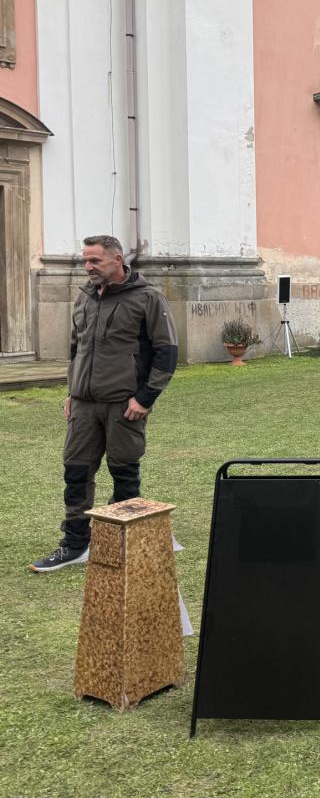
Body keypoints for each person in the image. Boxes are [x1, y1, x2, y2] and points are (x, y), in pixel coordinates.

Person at [31, 235, 178, 572]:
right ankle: (75, 544)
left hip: (124, 404)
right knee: (76, 472)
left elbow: (167, 352)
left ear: (117, 260)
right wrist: (72, 392)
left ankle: (122, 543)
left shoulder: (147, 297)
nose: (88, 267)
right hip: (83, 404)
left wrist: (145, 398)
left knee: (124, 472)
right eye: (85, 260)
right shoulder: (85, 297)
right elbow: (76, 348)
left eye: (94, 260)